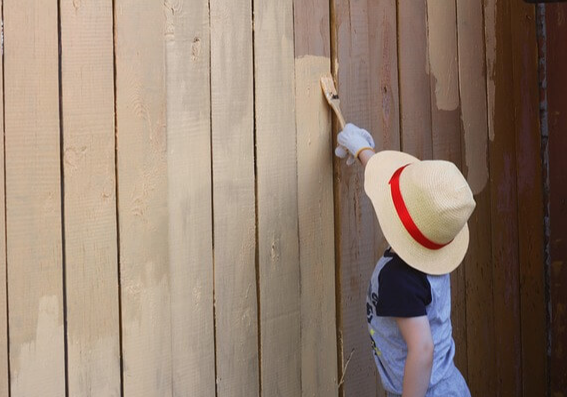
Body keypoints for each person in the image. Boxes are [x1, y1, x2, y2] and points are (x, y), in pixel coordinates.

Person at [335, 124, 474, 397]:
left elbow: (423, 349)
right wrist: (362, 149)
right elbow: (395, 194)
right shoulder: (431, 251)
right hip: (447, 384)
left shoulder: (397, 278)